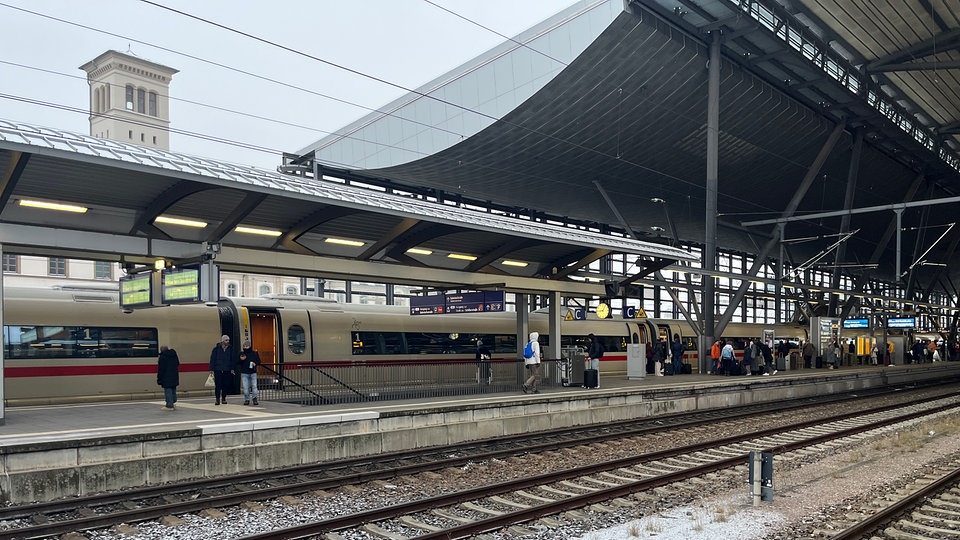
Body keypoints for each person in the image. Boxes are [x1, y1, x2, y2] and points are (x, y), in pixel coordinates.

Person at [209, 334, 235, 405]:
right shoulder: (216, 349)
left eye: (228, 340)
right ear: (222, 341)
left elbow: (232, 359)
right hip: (218, 369)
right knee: (218, 385)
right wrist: (211, 369)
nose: (228, 341)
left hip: (227, 369)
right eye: (226, 340)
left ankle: (223, 398)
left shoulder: (230, 349)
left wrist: (232, 368)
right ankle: (217, 399)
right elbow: (212, 359)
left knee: (225, 385)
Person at [238, 340, 262, 405]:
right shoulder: (241, 354)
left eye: (247, 346)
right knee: (246, 388)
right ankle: (247, 399)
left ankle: (254, 398)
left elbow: (259, 361)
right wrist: (241, 359)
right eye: (244, 346)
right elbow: (237, 362)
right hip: (244, 372)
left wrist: (255, 363)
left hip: (253, 372)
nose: (245, 347)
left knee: (254, 386)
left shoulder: (254, 353)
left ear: (250, 346)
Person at [157, 345, 179, 411]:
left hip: (166, 376)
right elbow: (178, 364)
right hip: (174, 375)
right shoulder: (174, 355)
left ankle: (169, 405)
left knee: (168, 390)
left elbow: (161, 369)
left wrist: (159, 378)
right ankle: (173, 402)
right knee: (173, 389)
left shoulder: (162, 357)